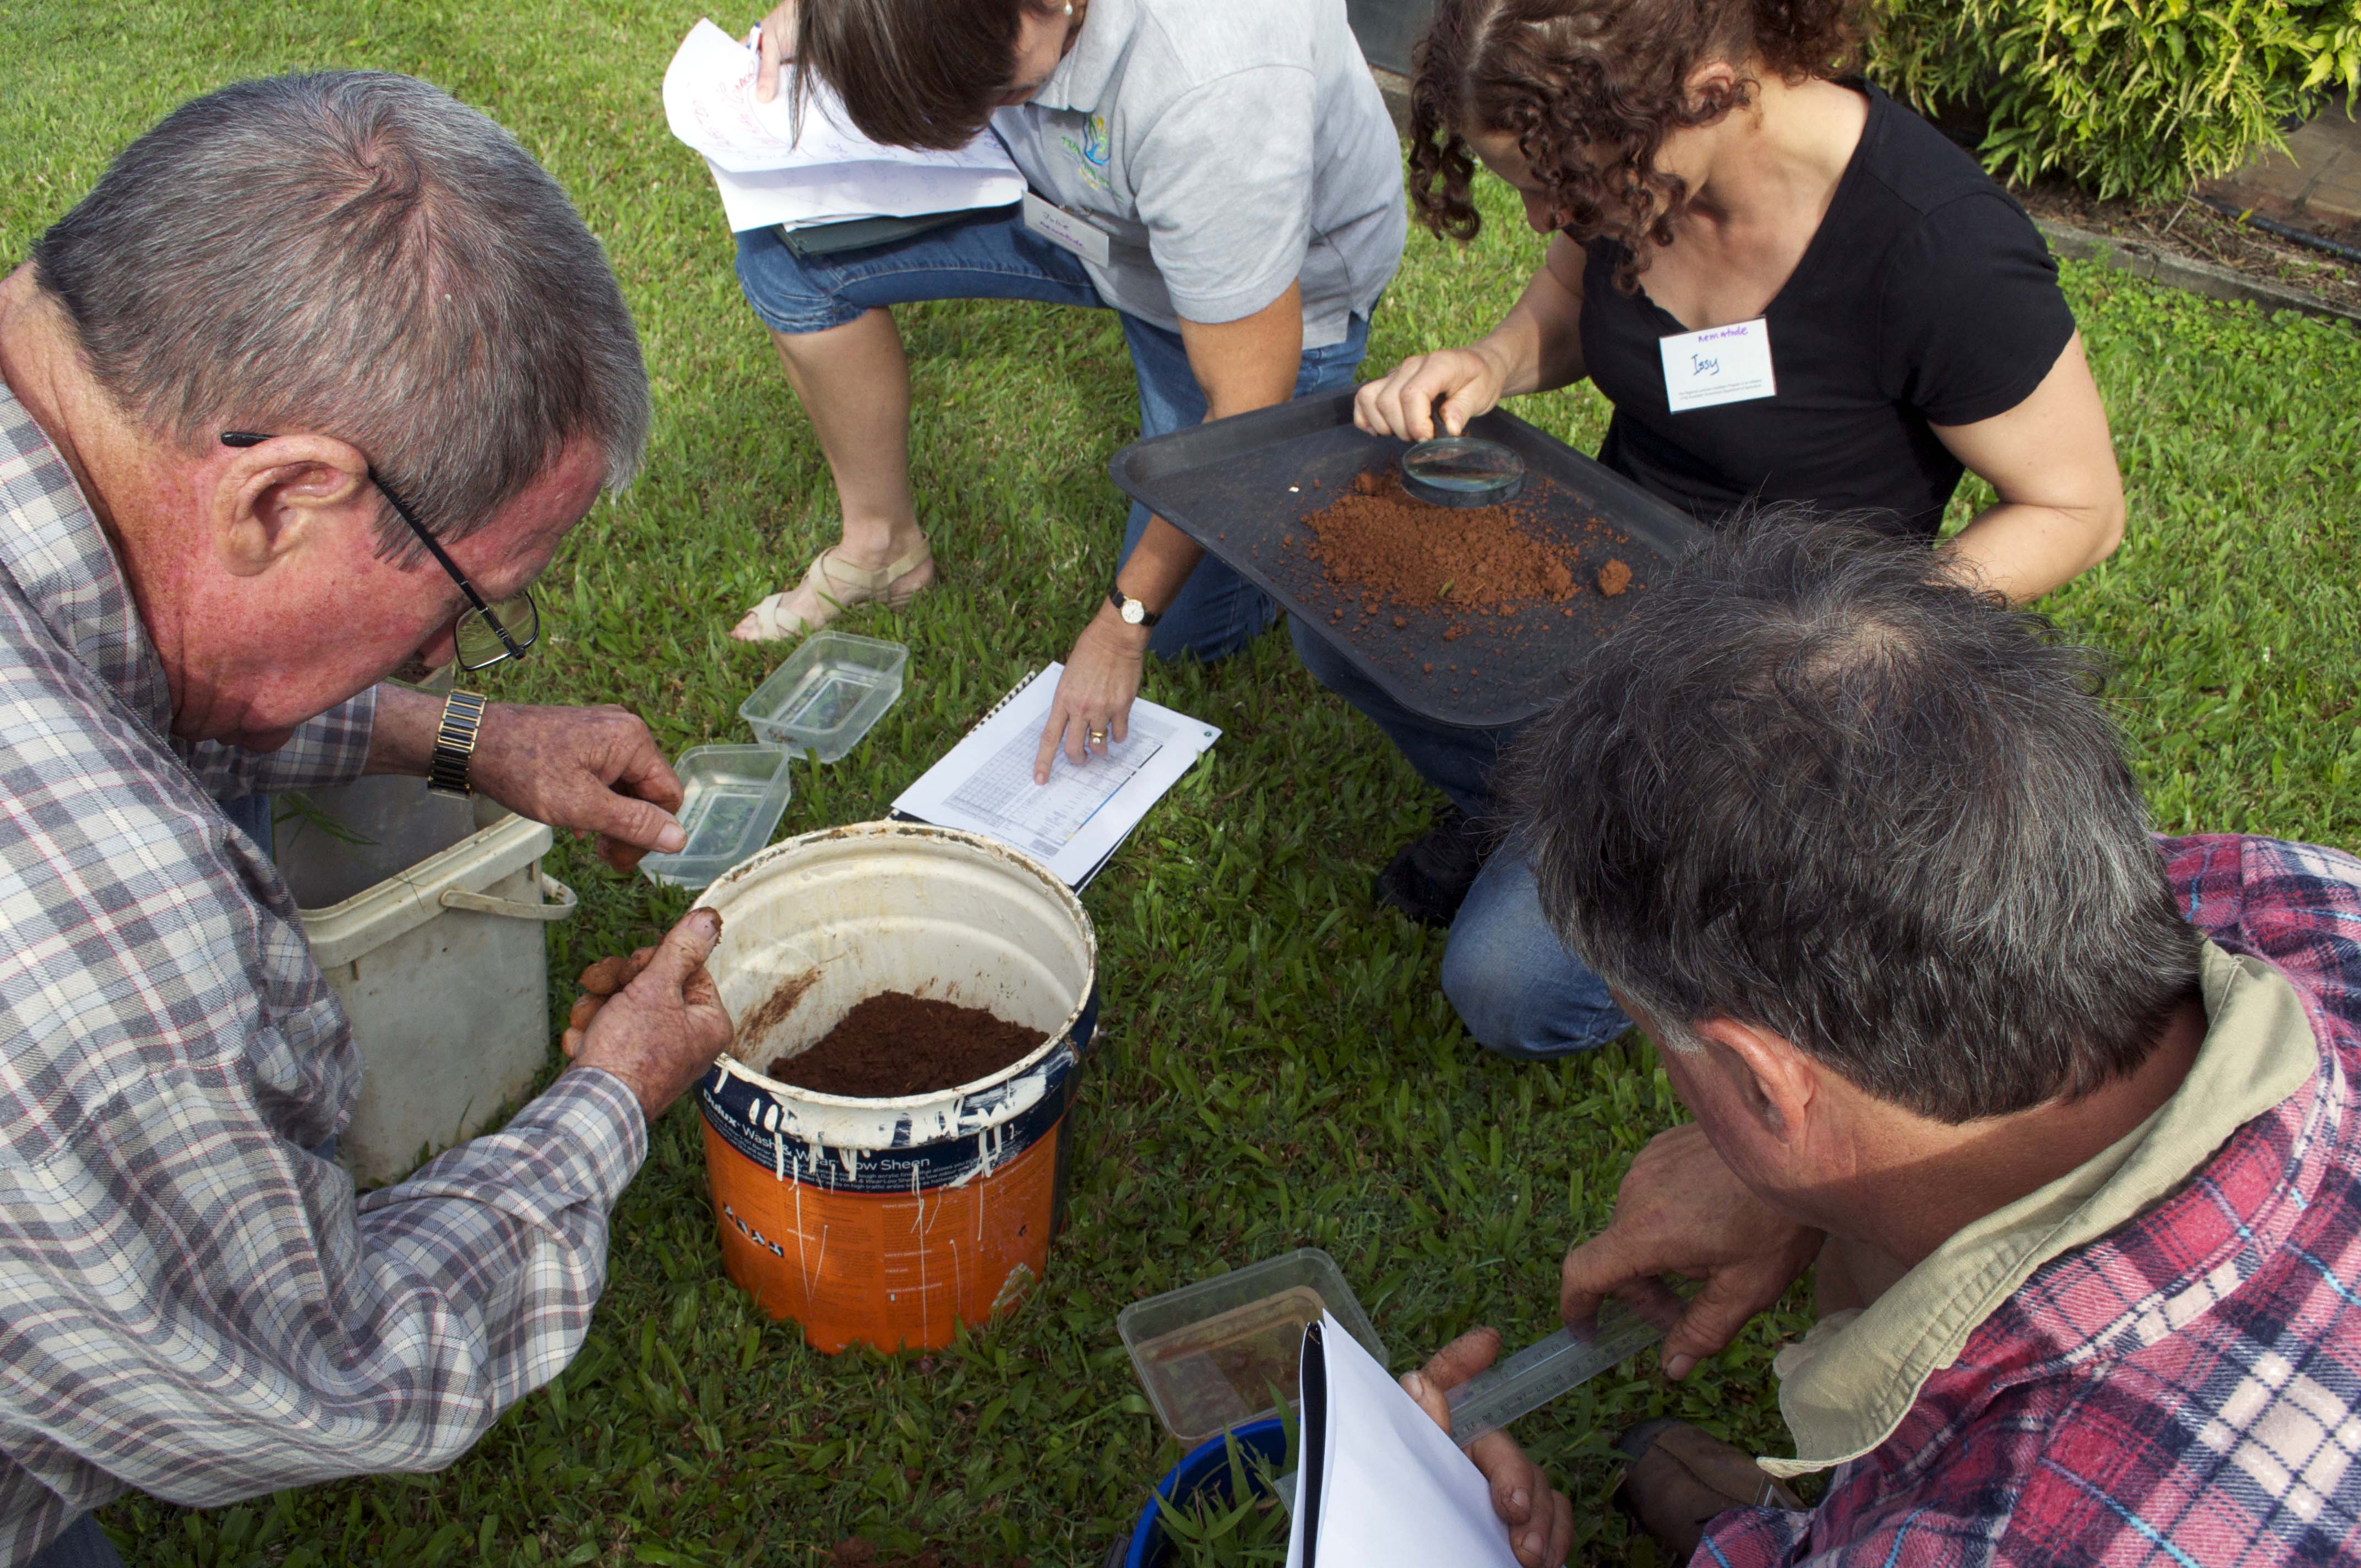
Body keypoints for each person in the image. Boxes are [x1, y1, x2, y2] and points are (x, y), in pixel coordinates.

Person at [0, 74, 735, 1566]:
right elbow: (330, 1366)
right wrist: (614, 1096)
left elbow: (136, 660)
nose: (445, 659)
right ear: (278, 497)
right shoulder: (117, 942)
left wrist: (468, 740)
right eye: (464, 612)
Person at [1509, 519, 2361, 1564]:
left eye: (1671, 1053)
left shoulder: (1994, 1535)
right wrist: (1786, 1183)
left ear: (1769, 1089)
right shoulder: (2296, 893)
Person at [1331, 0, 2126, 1059]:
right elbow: (1566, 307)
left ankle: (1697, 890)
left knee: (1508, 990)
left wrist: (1857, 641)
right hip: (1612, 574)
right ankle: (1534, 804)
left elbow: (2078, 507)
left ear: (1704, 94)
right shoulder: (1630, 164)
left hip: (1776, 672)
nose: (1544, 217)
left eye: (1559, 186)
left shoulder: (1939, 247)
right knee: (1339, 618)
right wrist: (1491, 362)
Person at [727, 0, 1406, 776]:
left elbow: (1244, 406)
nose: (985, 114)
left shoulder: (1214, 83)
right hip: (1071, 211)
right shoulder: (1020, 38)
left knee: (1184, 629)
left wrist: (1124, 624)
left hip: (1263, 297)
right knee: (795, 258)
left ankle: (1289, 499)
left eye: (1001, 94)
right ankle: (881, 545)